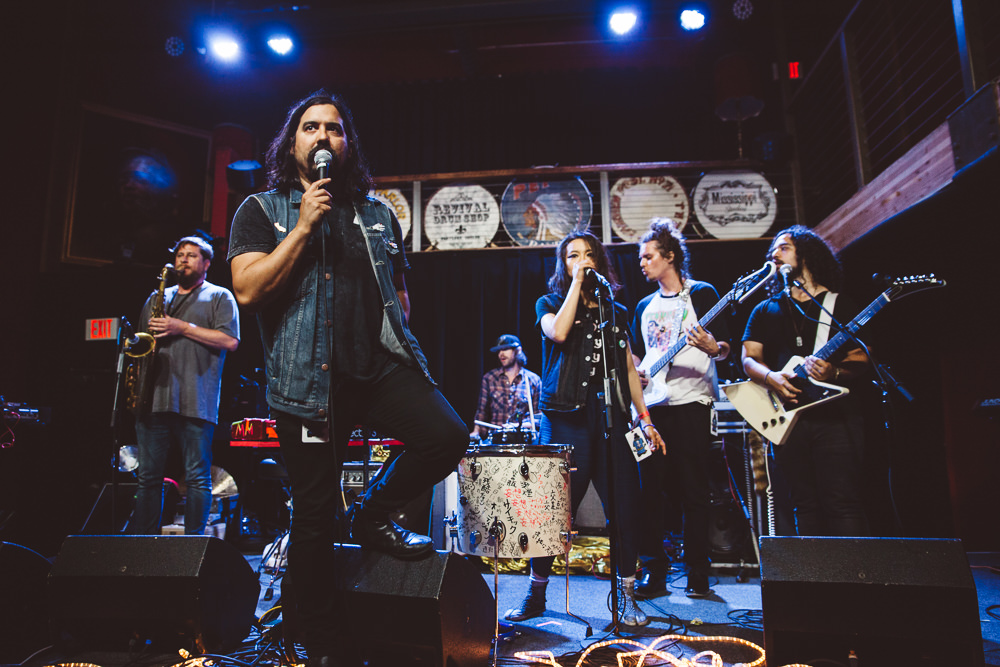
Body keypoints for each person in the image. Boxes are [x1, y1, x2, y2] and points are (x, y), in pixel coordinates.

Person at [227, 90, 468, 666]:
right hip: (307, 384)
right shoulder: (261, 210)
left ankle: (372, 512)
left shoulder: (379, 214)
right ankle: (320, 641)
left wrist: (393, 327)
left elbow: (400, 295)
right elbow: (248, 290)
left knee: (446, 435)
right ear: (292, 145)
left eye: (333, 129)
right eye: (309, 128)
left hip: (379, 368)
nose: (322, 137)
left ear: (346, 144)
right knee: (312, 517)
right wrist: (305, 225)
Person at [504, 230, 665, 628]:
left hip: (611, 418)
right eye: (573, 255)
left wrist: (645, 419)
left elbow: (628, 368)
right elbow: (557, 333)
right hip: (564, 418)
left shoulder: (616, 310)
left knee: (625, 508)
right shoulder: (551, 303)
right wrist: (577, 283)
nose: (582, 260)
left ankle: (626, 600)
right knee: (554, 512)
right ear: (564, 265)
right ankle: (536, 592)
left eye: (589, 254)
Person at [740, 225, 870, 537]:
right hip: (788, 418)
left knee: (842, 501)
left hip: (835, 418)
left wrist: (833, 373)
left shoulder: (838, 305)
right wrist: (771, 377)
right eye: (773, 249)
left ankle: (849, 579)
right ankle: (813, 580)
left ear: (806, 254)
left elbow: (862, 357)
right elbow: (748, 359)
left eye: (783, 247)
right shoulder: (765, 309)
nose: (775, 253)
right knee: (803, 502)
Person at [629, 218, 730, 599]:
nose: (643, 263)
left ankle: (698, 574)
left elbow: (725, 347)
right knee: (649, 491)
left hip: (692, 403)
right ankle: (654, 573)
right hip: (652, 408)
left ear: (669, 256)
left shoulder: (701, 294)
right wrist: (637, 372)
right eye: (641, 258)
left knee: (694, 490)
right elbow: (637, 354)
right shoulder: (643, 305)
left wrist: (712, 347)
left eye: (649, 256)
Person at [131, 236, 240, 536]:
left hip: (196, 400)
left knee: (197, 478)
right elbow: (141, 344)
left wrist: (182, 328)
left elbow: (230, 341)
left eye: (192, 255)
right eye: (180, 254)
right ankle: (142, 543)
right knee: (147, 478)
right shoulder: (158, 299)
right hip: (154, 399)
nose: (183, 260)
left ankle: (193, 547)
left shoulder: (220, 296)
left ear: (206, 263)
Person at [470, 334, 541, 441]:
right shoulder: (489, 378)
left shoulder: (533, 380)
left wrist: (518, 426)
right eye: (499, 351)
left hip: (523, 440)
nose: (501, 354)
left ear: (518, 351)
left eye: (505, 349)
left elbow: (538, 417)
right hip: (496, 439)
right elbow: (481, 412)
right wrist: (476, 432)